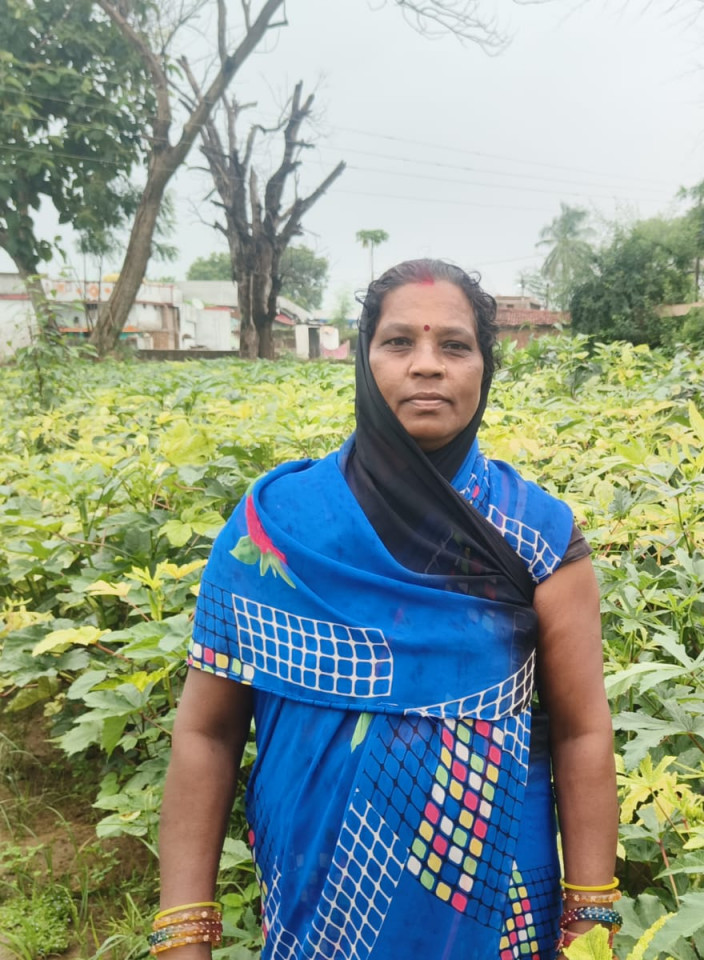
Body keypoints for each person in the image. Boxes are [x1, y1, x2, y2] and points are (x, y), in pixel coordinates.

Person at [152, 259, 619, 959]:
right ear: (364, 361)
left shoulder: (536, 536)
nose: (427, 365)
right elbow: (207, 734)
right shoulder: (272, 531)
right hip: (316, 909)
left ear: (486, 368)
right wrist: (183, 934)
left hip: (498, 915)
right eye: (399, 342)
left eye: (454, 345)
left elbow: (582, 733)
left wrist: (590, 920)